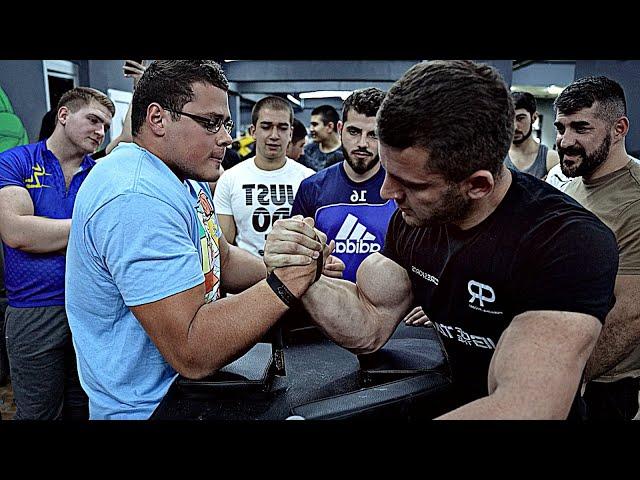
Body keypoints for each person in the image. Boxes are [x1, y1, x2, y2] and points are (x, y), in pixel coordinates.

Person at [264, 60, 619, 419]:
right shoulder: (415, 219)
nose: (388, 192)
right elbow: (368, 323)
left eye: (413, 184)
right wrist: (303, 273)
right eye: (389, 173)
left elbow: (524, 406)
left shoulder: (567, 242)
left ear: (477, 185)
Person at [64, 60, 336, 420]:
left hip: (189, 392)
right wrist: (286, 283)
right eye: (210, 123)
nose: (226, 137)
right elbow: (192, 349)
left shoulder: (181, 176)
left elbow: (221, 257)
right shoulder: (136, 197)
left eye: (225, 123)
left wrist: (287, 268)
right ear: (158, 119)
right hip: (149, 408)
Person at [0, 86, 115, 420]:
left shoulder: (100, 174)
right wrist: (90, 228)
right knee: (38, 413)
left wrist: (51, 230)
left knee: (85, 408)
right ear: (63, 116)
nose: (100, 131)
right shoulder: (17, 161)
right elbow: (18, 232)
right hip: (33, 308)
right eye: (94, 120)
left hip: (90, 309)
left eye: (106, 126)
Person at [554, 76, 640, 420]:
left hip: (603, 382)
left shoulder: (635, 198)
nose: (565, 141)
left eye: (581, 128)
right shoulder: (572, 185)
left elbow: (633, 313)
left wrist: (572, 375)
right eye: (561, 128)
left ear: (618, 129)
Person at [213, 96, 315, 258]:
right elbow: (225, 247)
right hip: (247, 278)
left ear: (291, 133)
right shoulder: (230, 179)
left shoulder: (309, 179)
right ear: (253, 131)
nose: (274, 135)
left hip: (296, 275)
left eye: (282, 128)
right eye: (266, 127)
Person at [504, 91, 559, 179]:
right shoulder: (497, 158)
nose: (514, 127)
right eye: (509, 119)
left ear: (534, 117)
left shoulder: (551, 159)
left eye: (520, 118)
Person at [300, 104, 344, 171]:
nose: (311, 129)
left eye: (315, 124)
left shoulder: (346, 153)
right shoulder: (307, 152)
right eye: (311, 125)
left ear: (330, 127)